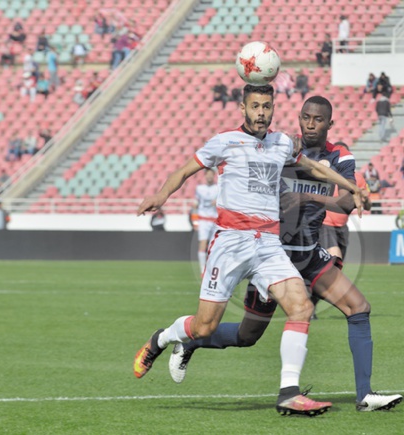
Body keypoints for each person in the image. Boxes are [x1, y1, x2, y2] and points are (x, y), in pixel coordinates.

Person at [133, 85, 365, 417]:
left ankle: (288, 393)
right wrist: (160, 196)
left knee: (300, 307)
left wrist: (350, 186)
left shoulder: (282, 143)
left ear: (273, 109)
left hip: (268, 244)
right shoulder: (224, 141)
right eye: (255, 106)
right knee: (204, 327)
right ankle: (161, 339)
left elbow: (315, 169)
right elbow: (185, 170)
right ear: (243, 108)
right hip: (230, 243)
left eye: (266, 106)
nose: (261, 113)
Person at [194, 168, 218, 274]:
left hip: (215, 220)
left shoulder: (218, 188)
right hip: (203, 219)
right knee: (203, 243)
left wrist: (218, 202)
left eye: (211, 175)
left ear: (214, 176)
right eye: (207, 174)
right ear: (205, 176)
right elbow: (195, 204)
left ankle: (212, 267)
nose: (209, 177)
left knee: (214, 245)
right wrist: (195, 222)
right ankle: (202, 269)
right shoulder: (199, 188)